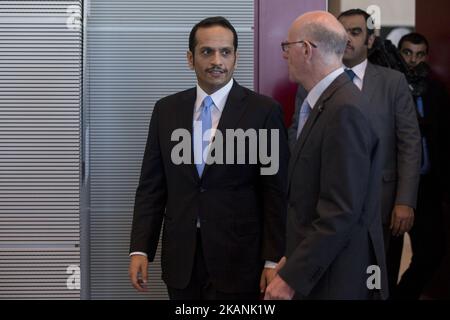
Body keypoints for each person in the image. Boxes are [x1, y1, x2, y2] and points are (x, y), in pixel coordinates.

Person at [128, 16, 289, 300]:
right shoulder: (166, 110)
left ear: (236, 58)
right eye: (207, 52)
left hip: (240, 261)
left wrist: (273, 259)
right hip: (181, 259)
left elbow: (275, 191)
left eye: (225, 52)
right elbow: (152, 187)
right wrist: (141, 248)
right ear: (191, 58)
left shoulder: (264, 111)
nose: (217, 60)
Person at [264, 11, 387, 300]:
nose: (284, 56)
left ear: (306, 49)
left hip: (336, 278)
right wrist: (292, 261)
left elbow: (339, 211)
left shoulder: (344, 110)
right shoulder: (328, 102)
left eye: (287, 47)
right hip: (323, 269)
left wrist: (293, 277)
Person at [336, 9, 421, 295]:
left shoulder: (393, 82)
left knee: (378, 284)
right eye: (341, 32)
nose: (346, 38)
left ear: (371, 41)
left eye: (355, 32)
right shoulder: (319, 80)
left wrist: (405, 201)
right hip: (331, 206)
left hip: (382, 205)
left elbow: (409, 144)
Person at [394, 32, 450, 299]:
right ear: (399, 53)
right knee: (388, 257)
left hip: (427, 185)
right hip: (394, 186)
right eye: (407, 53)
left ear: (426, 56)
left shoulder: (436, 90)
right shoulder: (389, 85)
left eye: (419, 54)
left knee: (433, 250)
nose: (413, 60)